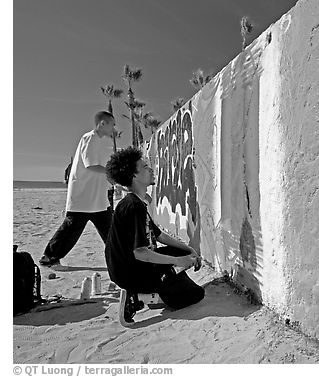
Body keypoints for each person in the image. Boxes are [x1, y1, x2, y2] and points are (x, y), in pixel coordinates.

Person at [104, 146, 204, 322]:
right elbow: (140, 253)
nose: (150, 169)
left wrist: (190, 250)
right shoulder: (133, 206)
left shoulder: (137, 202)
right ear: (134, 175)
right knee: (195, 295)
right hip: (132, 273)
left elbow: (159, 235)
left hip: (135, 267)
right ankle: (139, 296)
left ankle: (161, 286)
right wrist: (179, 261)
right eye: (144, 167)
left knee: (183, 255)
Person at [39, 111, 117, 267]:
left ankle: (120, 259)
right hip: (84, 196)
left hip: (97, 198)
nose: (114, 128)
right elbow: (91, 165)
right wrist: (112, 173)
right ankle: (49, 258)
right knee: (70, 230)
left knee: (110, 231)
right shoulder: (90, 138)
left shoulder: (97, 141)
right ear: (103, 123)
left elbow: (98, 169)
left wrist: (111, 180)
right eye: (112, 124)